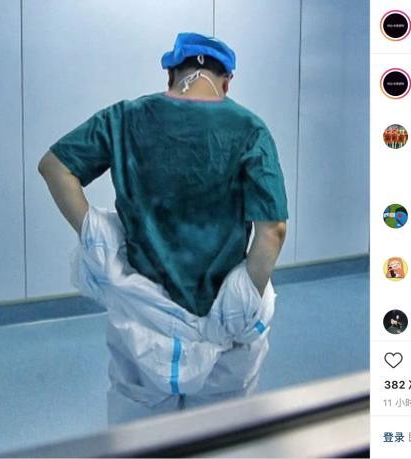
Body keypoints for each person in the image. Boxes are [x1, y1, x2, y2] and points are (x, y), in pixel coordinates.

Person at [38, 32, 288, 424]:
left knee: (140, 431)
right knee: (221, 431)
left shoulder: (124, 117)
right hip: (220, 319)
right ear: (227, 81)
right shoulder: (250, 129)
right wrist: (241, 300)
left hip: (141, 320)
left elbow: (55, 167)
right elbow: (273, 229)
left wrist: (97, 237)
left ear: (171, 72)